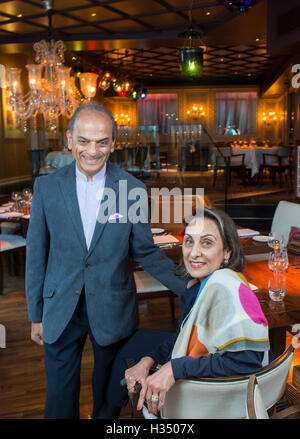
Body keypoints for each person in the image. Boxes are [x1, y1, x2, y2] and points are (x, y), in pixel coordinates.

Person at [25, 102, 187, 419]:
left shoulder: (133, 189)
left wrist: (193, 287)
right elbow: (36, 253)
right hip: (60, 310)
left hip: (112, 309)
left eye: (102, 142)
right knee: (58, 400)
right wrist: (36, 313)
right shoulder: (46, 187)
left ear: (113, 143)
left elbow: (146, 250)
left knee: (107, 400)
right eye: (84, 141)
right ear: (69, 139)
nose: (92, 151)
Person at [121, 207, 270, 416]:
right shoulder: (204, 285)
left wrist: (175, 368)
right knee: (133, 350)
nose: (194, 252)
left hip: (216, 402)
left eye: (207, 242)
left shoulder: (224, 286)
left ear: (227, 251)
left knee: (126, 349)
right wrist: (148, 361)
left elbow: (246, 360)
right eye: (189, 241)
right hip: (207, 390)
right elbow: (184, 336)